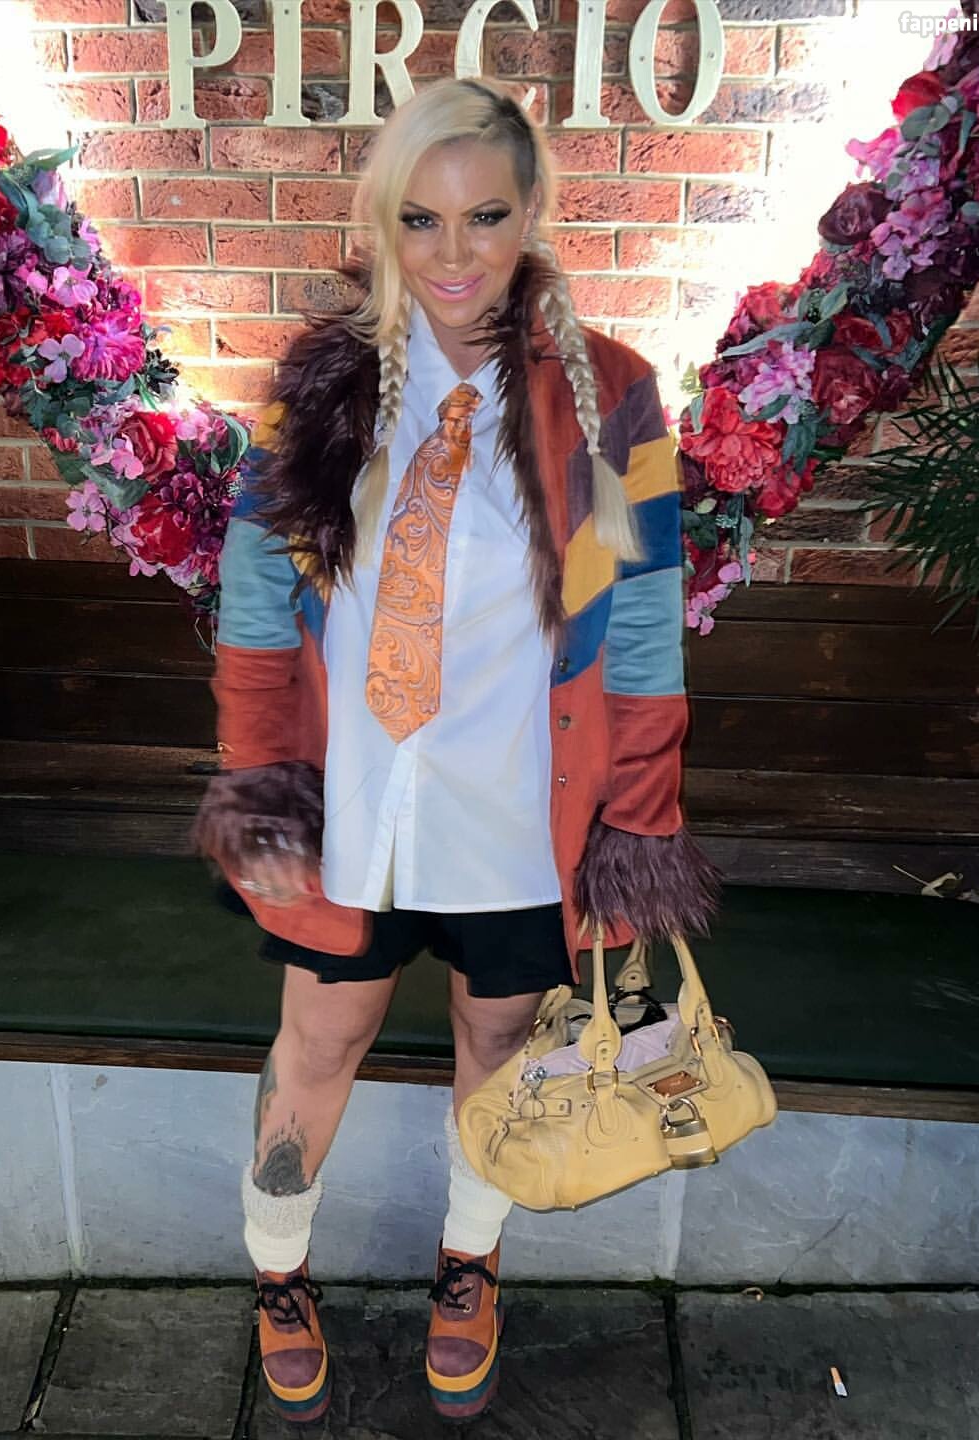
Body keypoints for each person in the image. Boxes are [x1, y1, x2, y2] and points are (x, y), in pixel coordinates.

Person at [193, 75, 719, 1424]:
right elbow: (254, 604)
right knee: (322, 1037)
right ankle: (276, 1271)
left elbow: (642, 625)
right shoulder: (318, 388)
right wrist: (264, 778)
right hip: (359, 806)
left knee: (499, 1039)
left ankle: (469, 1263)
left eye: (484, 215)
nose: (453, 252)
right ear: (383, 223)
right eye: (420, 219)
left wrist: (638, 823)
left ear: (530, 212)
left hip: (516, 808)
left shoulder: (613, 399)